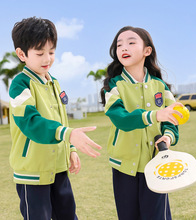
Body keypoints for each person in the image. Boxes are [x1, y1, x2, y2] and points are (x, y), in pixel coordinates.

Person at [9, 17, 101, 220]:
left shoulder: (54, 82)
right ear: (21, 54)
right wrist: (67, 135)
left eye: (51, 52)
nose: (47, 59)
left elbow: (62, 120)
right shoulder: (20, 85)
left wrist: (71, 149)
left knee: (68, 215)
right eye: (40, 53)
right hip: (32, 172)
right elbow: (30, 122)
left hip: (59, 168)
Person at [100, 26, 183, 220]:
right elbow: (121, 119)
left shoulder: (160, 86)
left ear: (147, 50)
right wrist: (154, 116)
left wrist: (168, 137)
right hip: (123, 166)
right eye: (119, 45)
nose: (123, 48)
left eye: (131, 42)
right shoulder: (114, 86)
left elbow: (172, 119)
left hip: (156, 164)